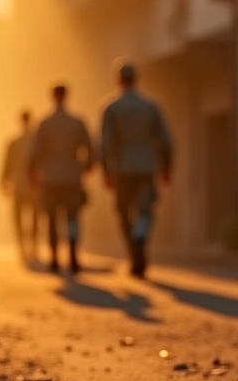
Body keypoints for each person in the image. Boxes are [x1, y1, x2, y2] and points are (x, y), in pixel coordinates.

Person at [101, 62, 173, 278]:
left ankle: (134, 250)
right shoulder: (150, 106)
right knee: (146, 210)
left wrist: (106, 171)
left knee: (124, 212)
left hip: (122, 167)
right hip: (146, 166)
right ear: (137, 79)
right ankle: (140, 235)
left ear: (118, 80)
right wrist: (166, 167)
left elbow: (105, 144)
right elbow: (165, 140)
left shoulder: (111, 107)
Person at [30, 86, 94, 274]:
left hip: (50, 177)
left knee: (52, 219)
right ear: (67, 96)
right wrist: (86, 168)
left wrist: (33, 171)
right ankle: (73, 255)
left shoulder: (44, 123)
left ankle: (54, 258)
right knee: (72, 217)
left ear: (52, 97)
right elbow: (89, 149)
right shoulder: (77, 122)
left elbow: (35, 151)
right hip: (72, 176)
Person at [1, 110, 40, 260]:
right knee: (34, 217)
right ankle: (31, 245)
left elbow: (7, 165)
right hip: (32, 186)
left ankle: (23, 245)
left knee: (20, 217)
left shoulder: (15, 143)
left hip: (21, 185)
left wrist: (4, 181)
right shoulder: (36, 143)